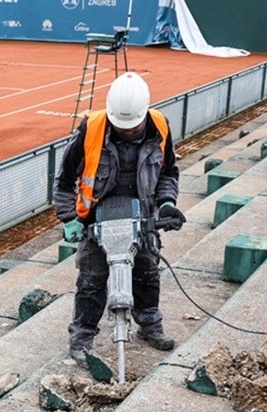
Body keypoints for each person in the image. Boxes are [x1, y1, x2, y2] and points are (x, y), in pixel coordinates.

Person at [53, 72, 186, 362]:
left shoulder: (159, 126)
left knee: (147, 274)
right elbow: (63, 181)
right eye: (120, 126)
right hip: (96, 220)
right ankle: (82, 337)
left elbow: (168, 172)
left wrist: (166, 204)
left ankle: (150, 325)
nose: (126, 130)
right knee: (91, 280)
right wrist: (69, 218)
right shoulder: (91, 129)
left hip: (143, 217)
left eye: (132, 126)